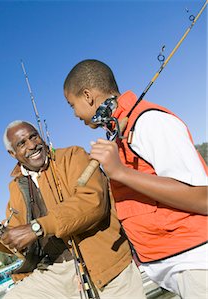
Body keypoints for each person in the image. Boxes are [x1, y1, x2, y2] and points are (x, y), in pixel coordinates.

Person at [63, 59, 208, 298]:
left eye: (72, 105)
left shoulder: (149, 121)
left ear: (88, 95)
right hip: (176, 268)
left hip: (195, 263)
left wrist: (120, 172)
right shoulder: (120, 132)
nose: (75, 114)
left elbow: (203, 197)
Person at [0, 120, 145, 298]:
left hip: (106, 265)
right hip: (55, 274)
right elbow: (18, 242)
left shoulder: (73, 156)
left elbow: (92, 201)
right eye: (22, 143)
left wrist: (37, 227)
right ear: (12, 153)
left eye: (34, 136)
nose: (32, 145)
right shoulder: (15, 189)